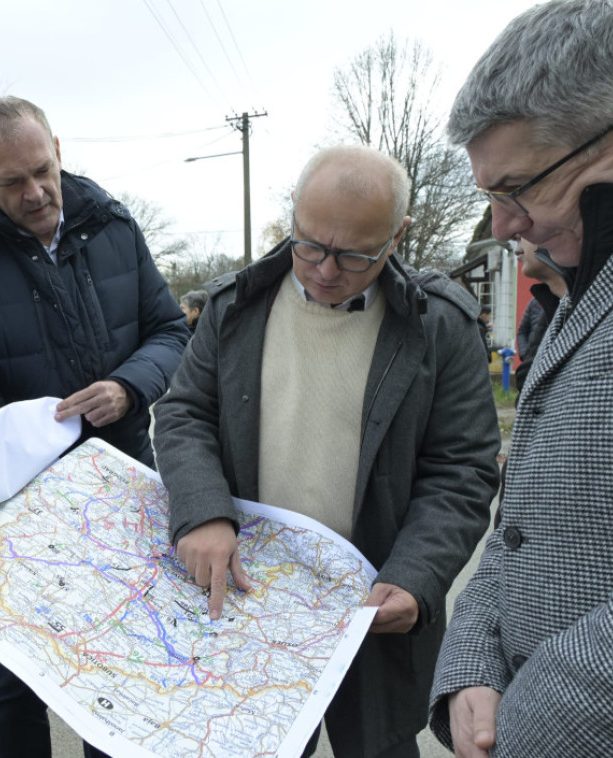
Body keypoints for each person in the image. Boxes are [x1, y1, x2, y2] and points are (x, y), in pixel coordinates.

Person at [153, 144, 500, 758]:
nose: (322, 269)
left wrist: (415, 578)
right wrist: (203, 510)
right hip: (248, 598)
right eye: (308, 243)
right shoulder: (233, 308)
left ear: (397, 236)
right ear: (293, 216)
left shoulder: (439, 325)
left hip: (372, 609)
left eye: (354, 255)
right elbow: (184, 414)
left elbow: (463, 471)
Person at [428, 1, 613, 756]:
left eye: (517, 189)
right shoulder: (602, 265)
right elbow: (523, 518)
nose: (503, 225)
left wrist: (524, 722)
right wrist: (472, 665)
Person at [0, 96, 188, 758]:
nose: (37, 193)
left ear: (59, 151)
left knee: (125, 658)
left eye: (44, 170)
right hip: (22, 503)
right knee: (23, 672)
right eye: (12, 181)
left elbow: (169, 331)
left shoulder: (113, 225)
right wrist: (48, 450)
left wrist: (129, 388)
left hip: (126, 477)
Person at [513, 238, 566, 394]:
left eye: (520, 238)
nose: (517, 250)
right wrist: (526, 357)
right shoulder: (542, 301)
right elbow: (522, 331)